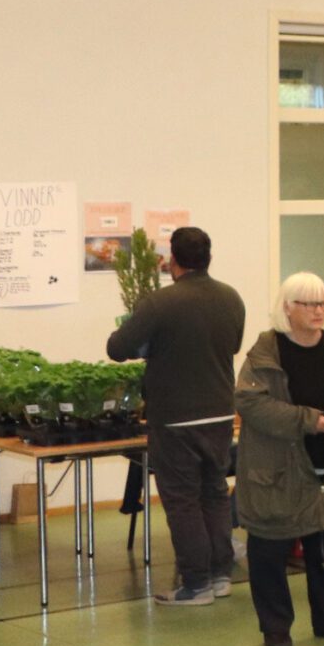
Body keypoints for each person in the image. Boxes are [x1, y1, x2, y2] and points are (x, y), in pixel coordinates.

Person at [109, 226, 247, 607]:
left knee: (183, 500)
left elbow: (117, 348)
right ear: (209, 258)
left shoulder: (160, 303)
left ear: (172, 260)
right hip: (220, 413)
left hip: (174, 420)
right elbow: (233, 344)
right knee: (214, 493)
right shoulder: (231, 298)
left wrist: (149, 344)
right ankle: (220, 576)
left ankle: (196, 584)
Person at [231, 274, 324, 646]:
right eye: (309, 304)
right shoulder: (265, 351)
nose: (319, 311)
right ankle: (276, 627)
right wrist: (307, 420)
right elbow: (250, 402)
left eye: (323, 303)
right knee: (270, 550)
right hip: (277, 469)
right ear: (288, 308)